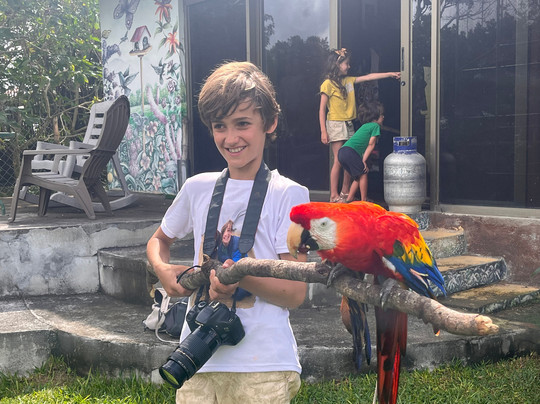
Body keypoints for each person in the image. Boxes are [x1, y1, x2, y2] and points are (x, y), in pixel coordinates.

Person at [146, 61, 309, 404]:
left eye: (243, 124)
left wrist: (239, 277)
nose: (231, 138)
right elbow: (159, 240)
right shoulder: (197, 187)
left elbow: (295, 293)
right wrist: (163, 270)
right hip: (196, 360)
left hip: (263, 365)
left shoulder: (289, 194)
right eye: (220, 126)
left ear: (270, 123)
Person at [319, 48, 400, 203]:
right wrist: (323, 130)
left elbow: (369, 77)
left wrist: (389, 74)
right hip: (335, 123)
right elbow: (322, 109)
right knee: (338, 160)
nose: (349, 67)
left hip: (348, 123)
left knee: (350, 157)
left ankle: (345, 192)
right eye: (346, 64)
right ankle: (334, 195)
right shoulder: (327, 84)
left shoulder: (348, 81)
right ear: (337, 65)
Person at [338, 101, 384, 202]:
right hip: (350, 152)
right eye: (381, 115)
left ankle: (349, 198)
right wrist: (363, 160)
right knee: (363, 174)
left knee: (358, 176)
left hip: (342, 152)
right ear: (375, 116)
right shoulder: (375, 126)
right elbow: (371, 145)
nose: (383, 117)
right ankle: (364, 200)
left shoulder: (365, 126)